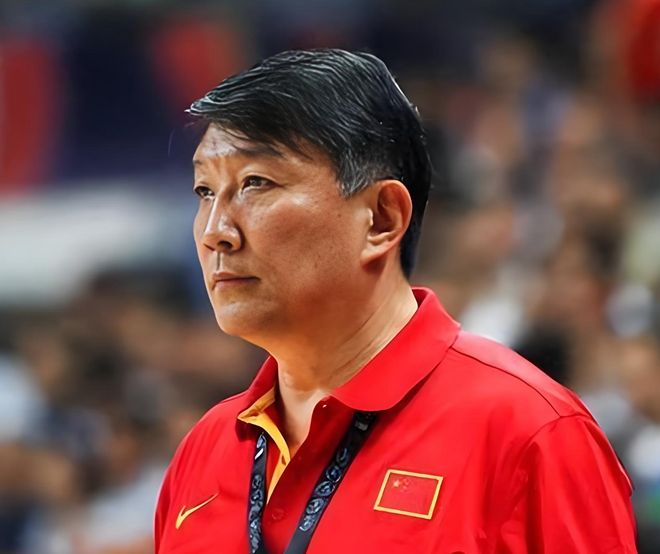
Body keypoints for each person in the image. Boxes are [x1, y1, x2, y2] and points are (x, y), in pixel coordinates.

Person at [154, 49, 637, 553]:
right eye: (205, 191)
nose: (214, 232)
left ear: (382, 219)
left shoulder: (529, 431)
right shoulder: (203, 452)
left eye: (256, 183)